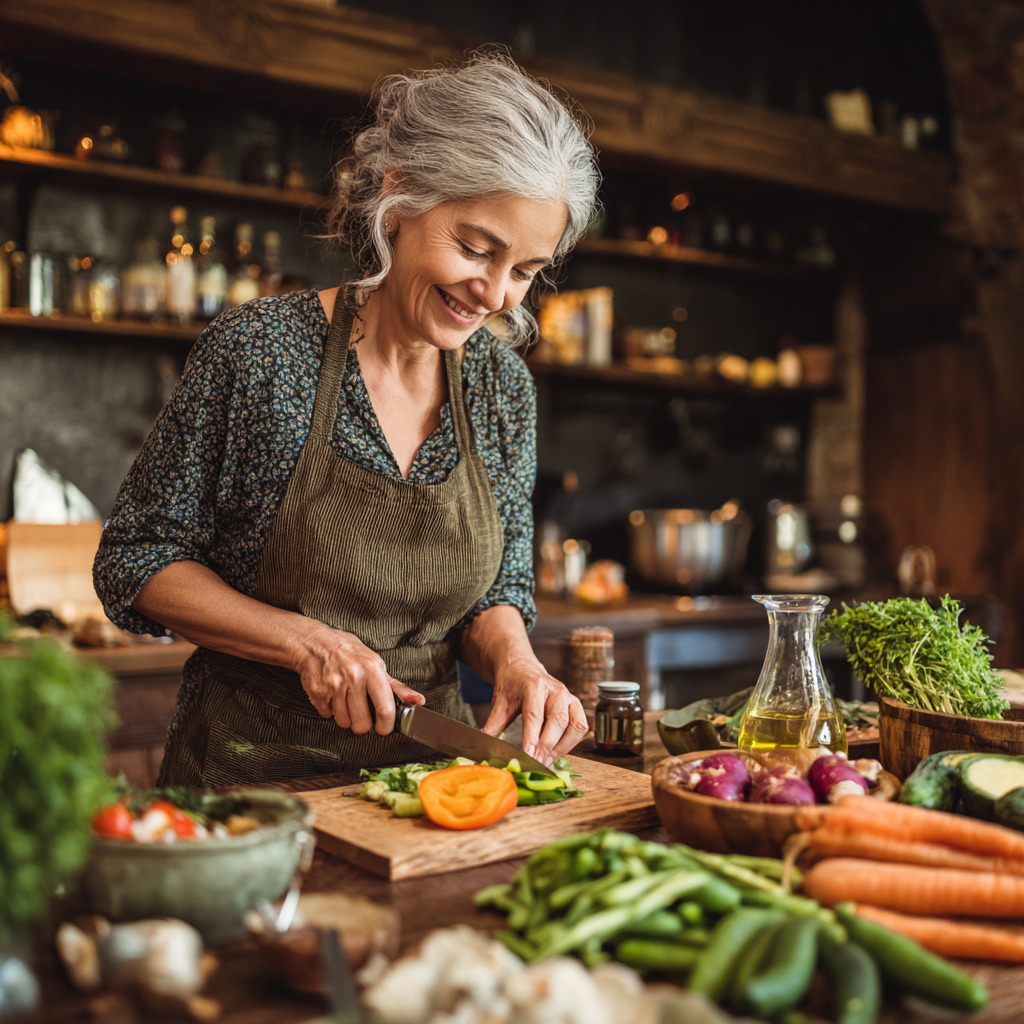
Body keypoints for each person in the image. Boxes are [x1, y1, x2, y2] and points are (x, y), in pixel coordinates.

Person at [93, 53, 601, 787]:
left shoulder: (501, 388)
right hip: (252, 782)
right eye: (475, 249)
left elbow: (498, 592)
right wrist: (304, 643)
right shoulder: (261, 352)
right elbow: (135, 560)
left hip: (436, 787)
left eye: (524, 270)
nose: (494, 295)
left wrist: (517, 662)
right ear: (398, 196)